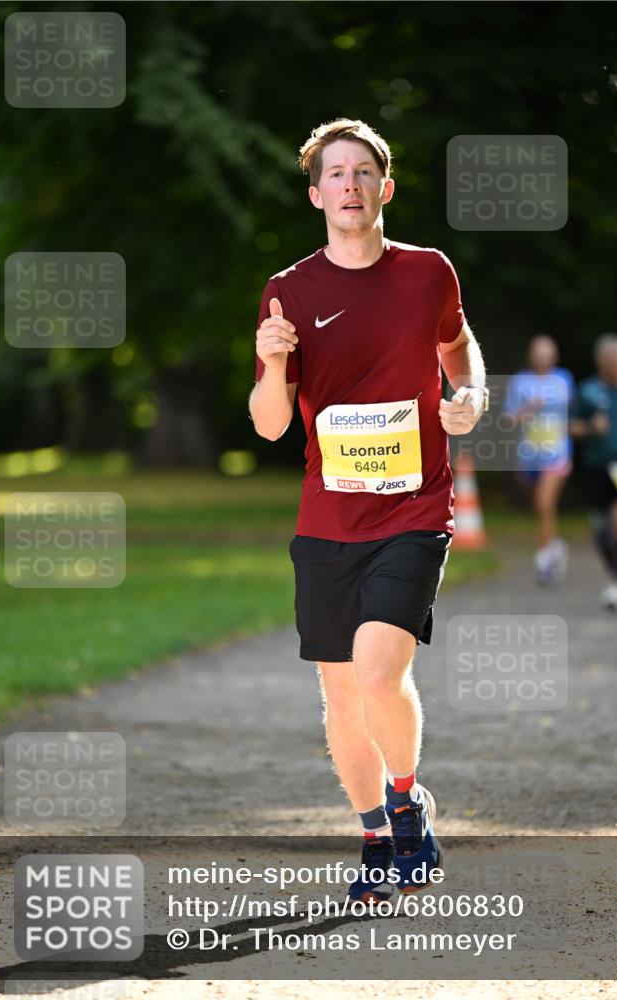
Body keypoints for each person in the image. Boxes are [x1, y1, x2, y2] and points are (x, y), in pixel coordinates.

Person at [248, 118, 488, 902]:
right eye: (334, 174)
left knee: (379, 671)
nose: (349, 186)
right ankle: (375, 839)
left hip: (413, 508)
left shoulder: (428, 273)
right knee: (341, 692)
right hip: (326, 518)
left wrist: (471, 396)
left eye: (362, 173)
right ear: (316, 193)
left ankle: (406, 801)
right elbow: (270, 423)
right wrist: (276, 360)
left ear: (383, 188)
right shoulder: (288, 291)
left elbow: (459, 348)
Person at [571, 334, 617, 610]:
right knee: (601, 529)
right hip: (598, 465)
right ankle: (614, 575)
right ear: (600, 363)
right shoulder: (588, 391)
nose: (613, 366)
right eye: (608, 361)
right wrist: (590, 428)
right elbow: (571, 427)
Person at [503, 335, 574, 585]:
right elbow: (508, 420)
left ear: (554, 355)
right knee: (541, 508)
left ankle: (544, 560)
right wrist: (528, 408)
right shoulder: (520, 382)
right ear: (530, 355)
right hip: (529, 456)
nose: (542, 356)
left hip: (557, 454)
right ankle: (555, 545)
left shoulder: (564, 379)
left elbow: (571, 414)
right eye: (538, 352)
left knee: (545, 503)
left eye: (547, 352)